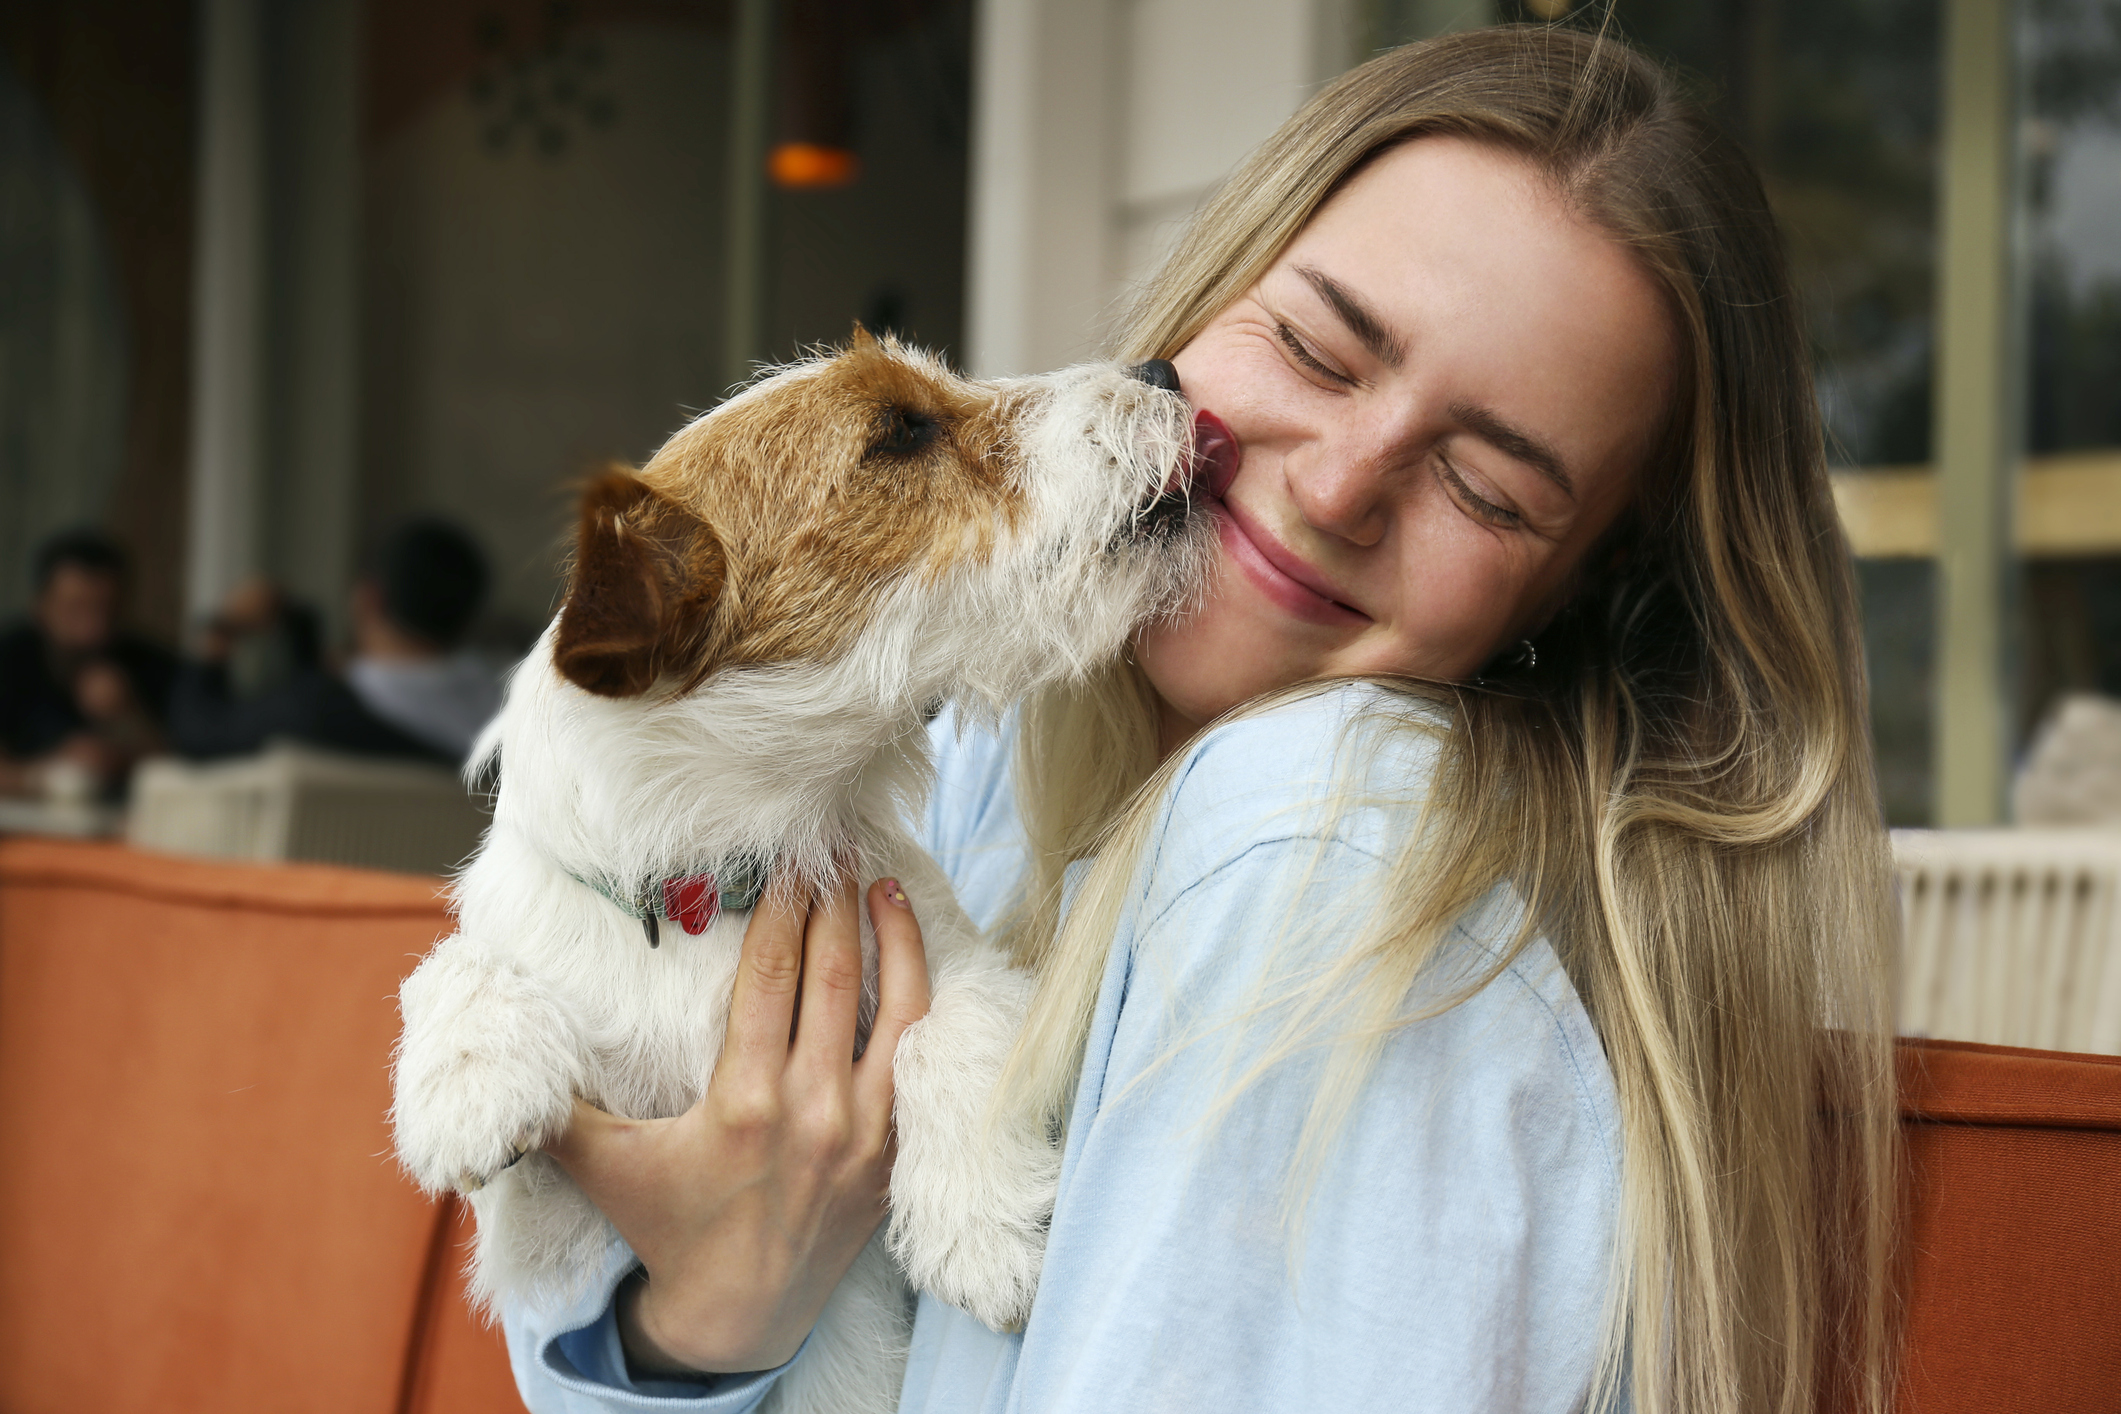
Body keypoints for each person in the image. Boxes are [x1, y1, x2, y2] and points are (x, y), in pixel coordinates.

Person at [503, 27, 1897, 1414]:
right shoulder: (977, 760)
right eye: (1313, 346)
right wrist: (715, 1313)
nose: (1342, 484)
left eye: (1487, 487)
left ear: (1578, 601)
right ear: (1204, 297)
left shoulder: (1324, 832)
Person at [169, 518, 502, 765]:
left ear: (369, 598)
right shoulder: (507, 705)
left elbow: (199, 734)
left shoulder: (317, 709)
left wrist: (219, 630)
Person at [0, 529, 178, 800]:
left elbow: (184, 773)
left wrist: (128, 719)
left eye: (108, 610)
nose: (94, 630)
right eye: (75, 610)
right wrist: (48, 775)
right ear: (40, 606)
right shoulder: (9, 658)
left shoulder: (152, 664)